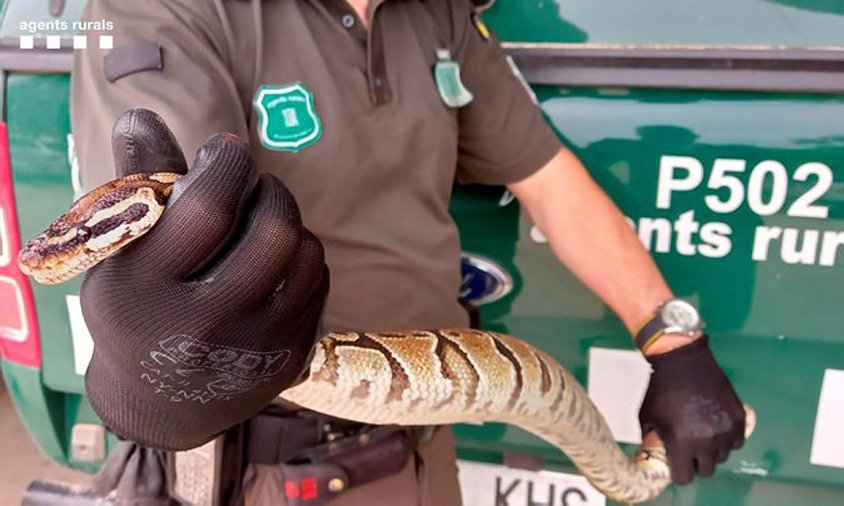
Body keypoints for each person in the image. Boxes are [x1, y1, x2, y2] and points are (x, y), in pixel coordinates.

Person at [71, 0, 747, 504]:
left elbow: (547, 178)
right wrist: (150, 372)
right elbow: (175, 257)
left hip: (427, 443)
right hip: (269, 471)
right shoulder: (164, 8)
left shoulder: (437, 14)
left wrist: (672, 340)